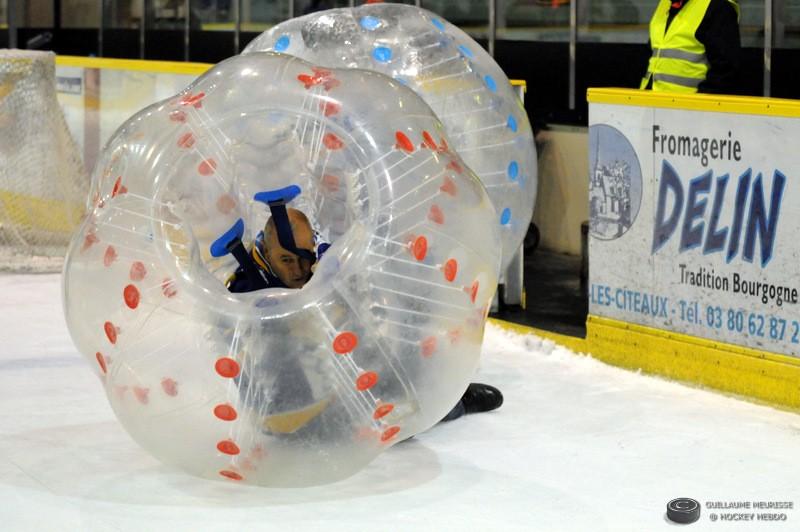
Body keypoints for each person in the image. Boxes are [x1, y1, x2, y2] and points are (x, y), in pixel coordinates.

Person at [223, 204, 503, 423]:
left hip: (342, 365)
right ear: (267, 251)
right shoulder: (244, 287)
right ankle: (445, 408)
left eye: (303, 258)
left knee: (402, 358)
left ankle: (449, 400)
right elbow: (243, 360)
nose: (298, 269)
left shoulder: (321, 255)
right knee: (383, 422)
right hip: (296, 401)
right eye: (286, 260)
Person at [641, 0, 741, 94]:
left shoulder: (718, 7)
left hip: (688, 103)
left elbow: (725, 70)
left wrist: (698, 102)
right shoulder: (664, 4)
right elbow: (654, 55)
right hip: (650, 100)